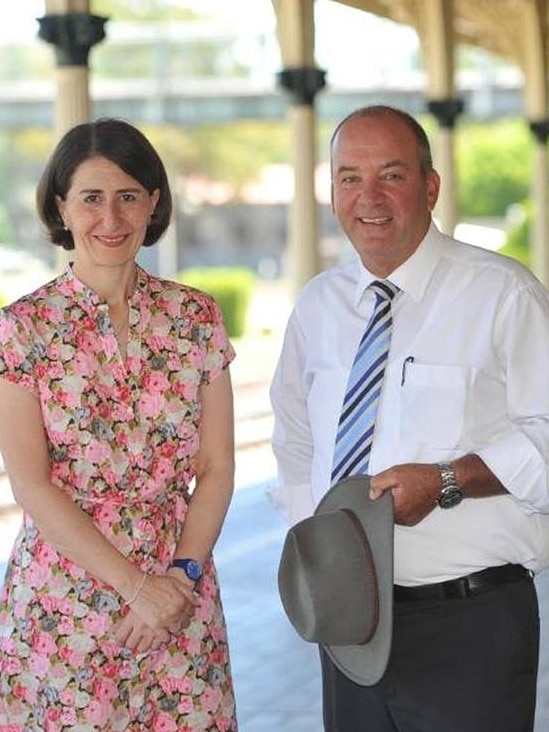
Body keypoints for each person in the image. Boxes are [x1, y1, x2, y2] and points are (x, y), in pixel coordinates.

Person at [270, 104, 549, 732]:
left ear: (430, 186)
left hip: (469, 624)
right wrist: (321, 554)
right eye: (348, 177)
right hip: (351, 626)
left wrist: (446, 480)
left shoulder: (504, 294)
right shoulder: (318, 307)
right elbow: (294, 441)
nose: (368, 196)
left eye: (391, 175)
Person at [0, 118, 238, 730]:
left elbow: (216, 468)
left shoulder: (195, 318)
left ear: (154, 202)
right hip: (66, 599)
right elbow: (30, 484)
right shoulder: (23, 329)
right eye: (91, 197)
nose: (112, 217)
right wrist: (138, 588)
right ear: (61, 206)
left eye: (129, 195)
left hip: (181, 591)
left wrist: (179, 579)